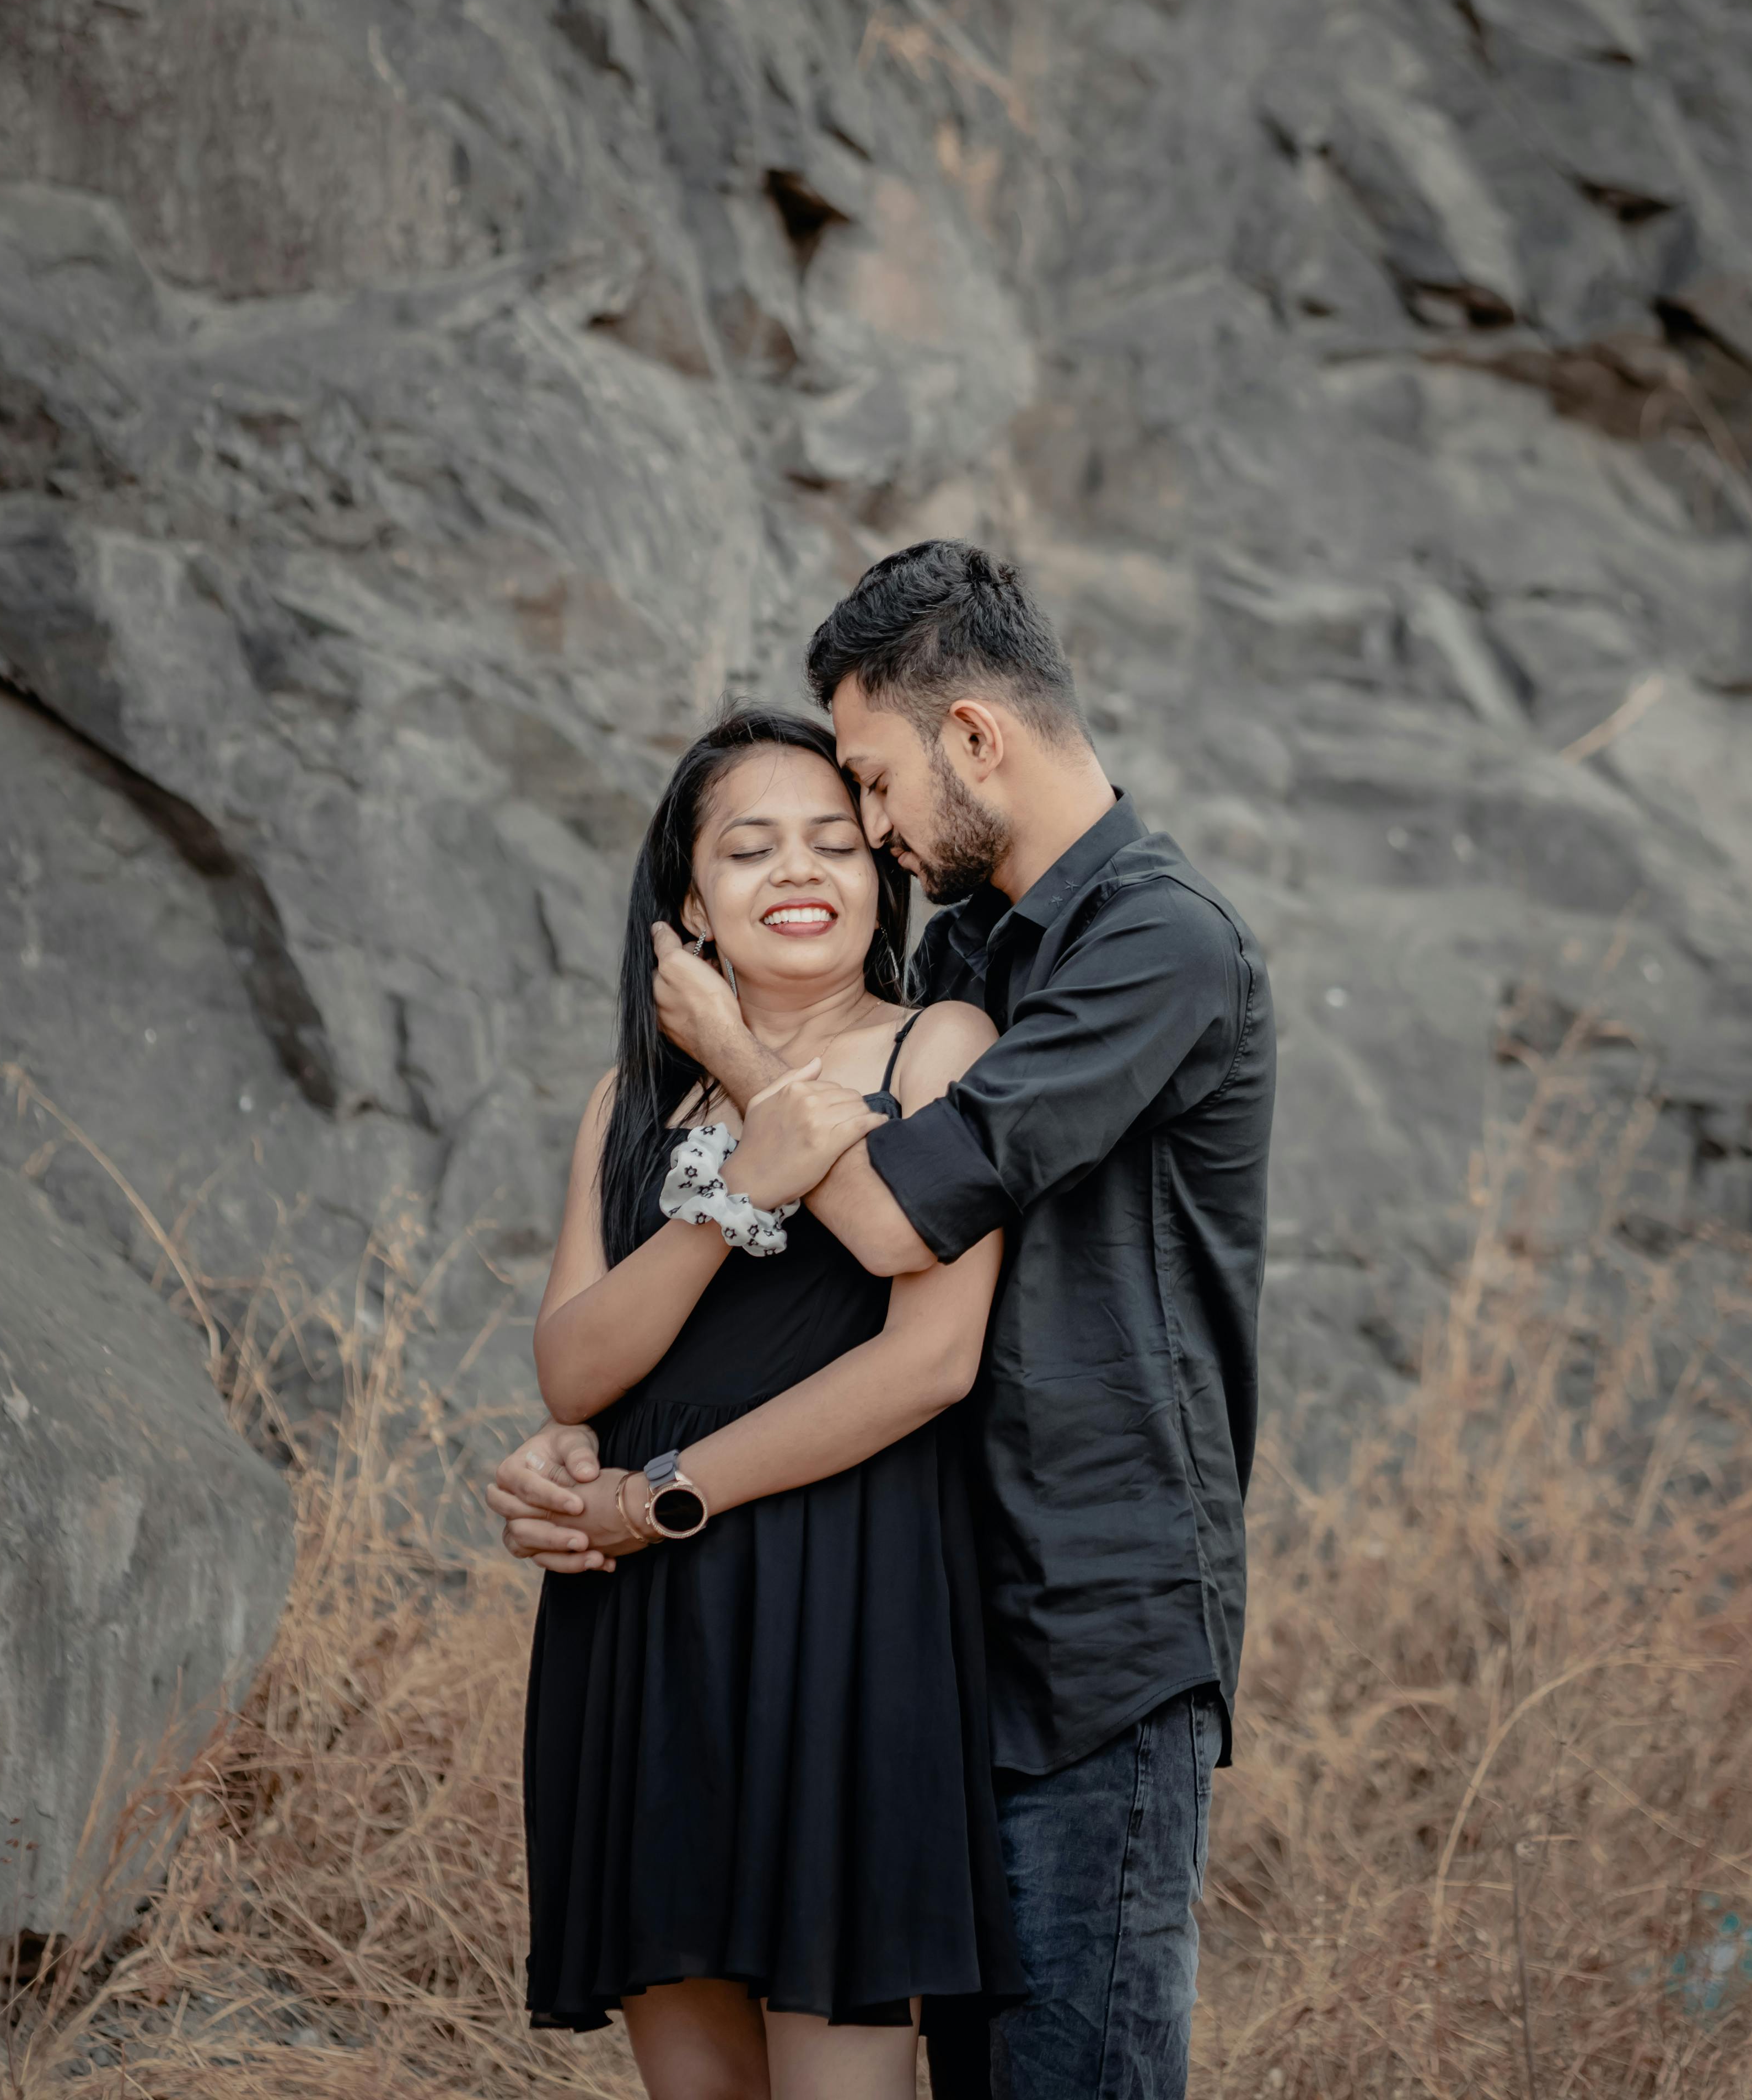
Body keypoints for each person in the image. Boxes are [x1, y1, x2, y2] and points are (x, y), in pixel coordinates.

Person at [496, 543, 1276, 2100]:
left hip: (1092, 1629)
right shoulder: (987, 935)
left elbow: (892, 1222)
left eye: (868, 784)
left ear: (971, 738)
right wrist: (579, 1428)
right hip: (930, 1614)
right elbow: (662, 1320)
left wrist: (735, 1055)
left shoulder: (1156, 943)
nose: (868, 837)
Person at [518, 706, 1026, 2099]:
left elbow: (931, 1355)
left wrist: (659, 1493)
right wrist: (735, 1192)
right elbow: (573, 1369)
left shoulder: (939, 1048)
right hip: (642, 1630)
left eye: (831, 841)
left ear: (882, 877)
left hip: (850, 1612)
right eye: (749, 849)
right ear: (690, 901)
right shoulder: (632, 1099)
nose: (798, 871)